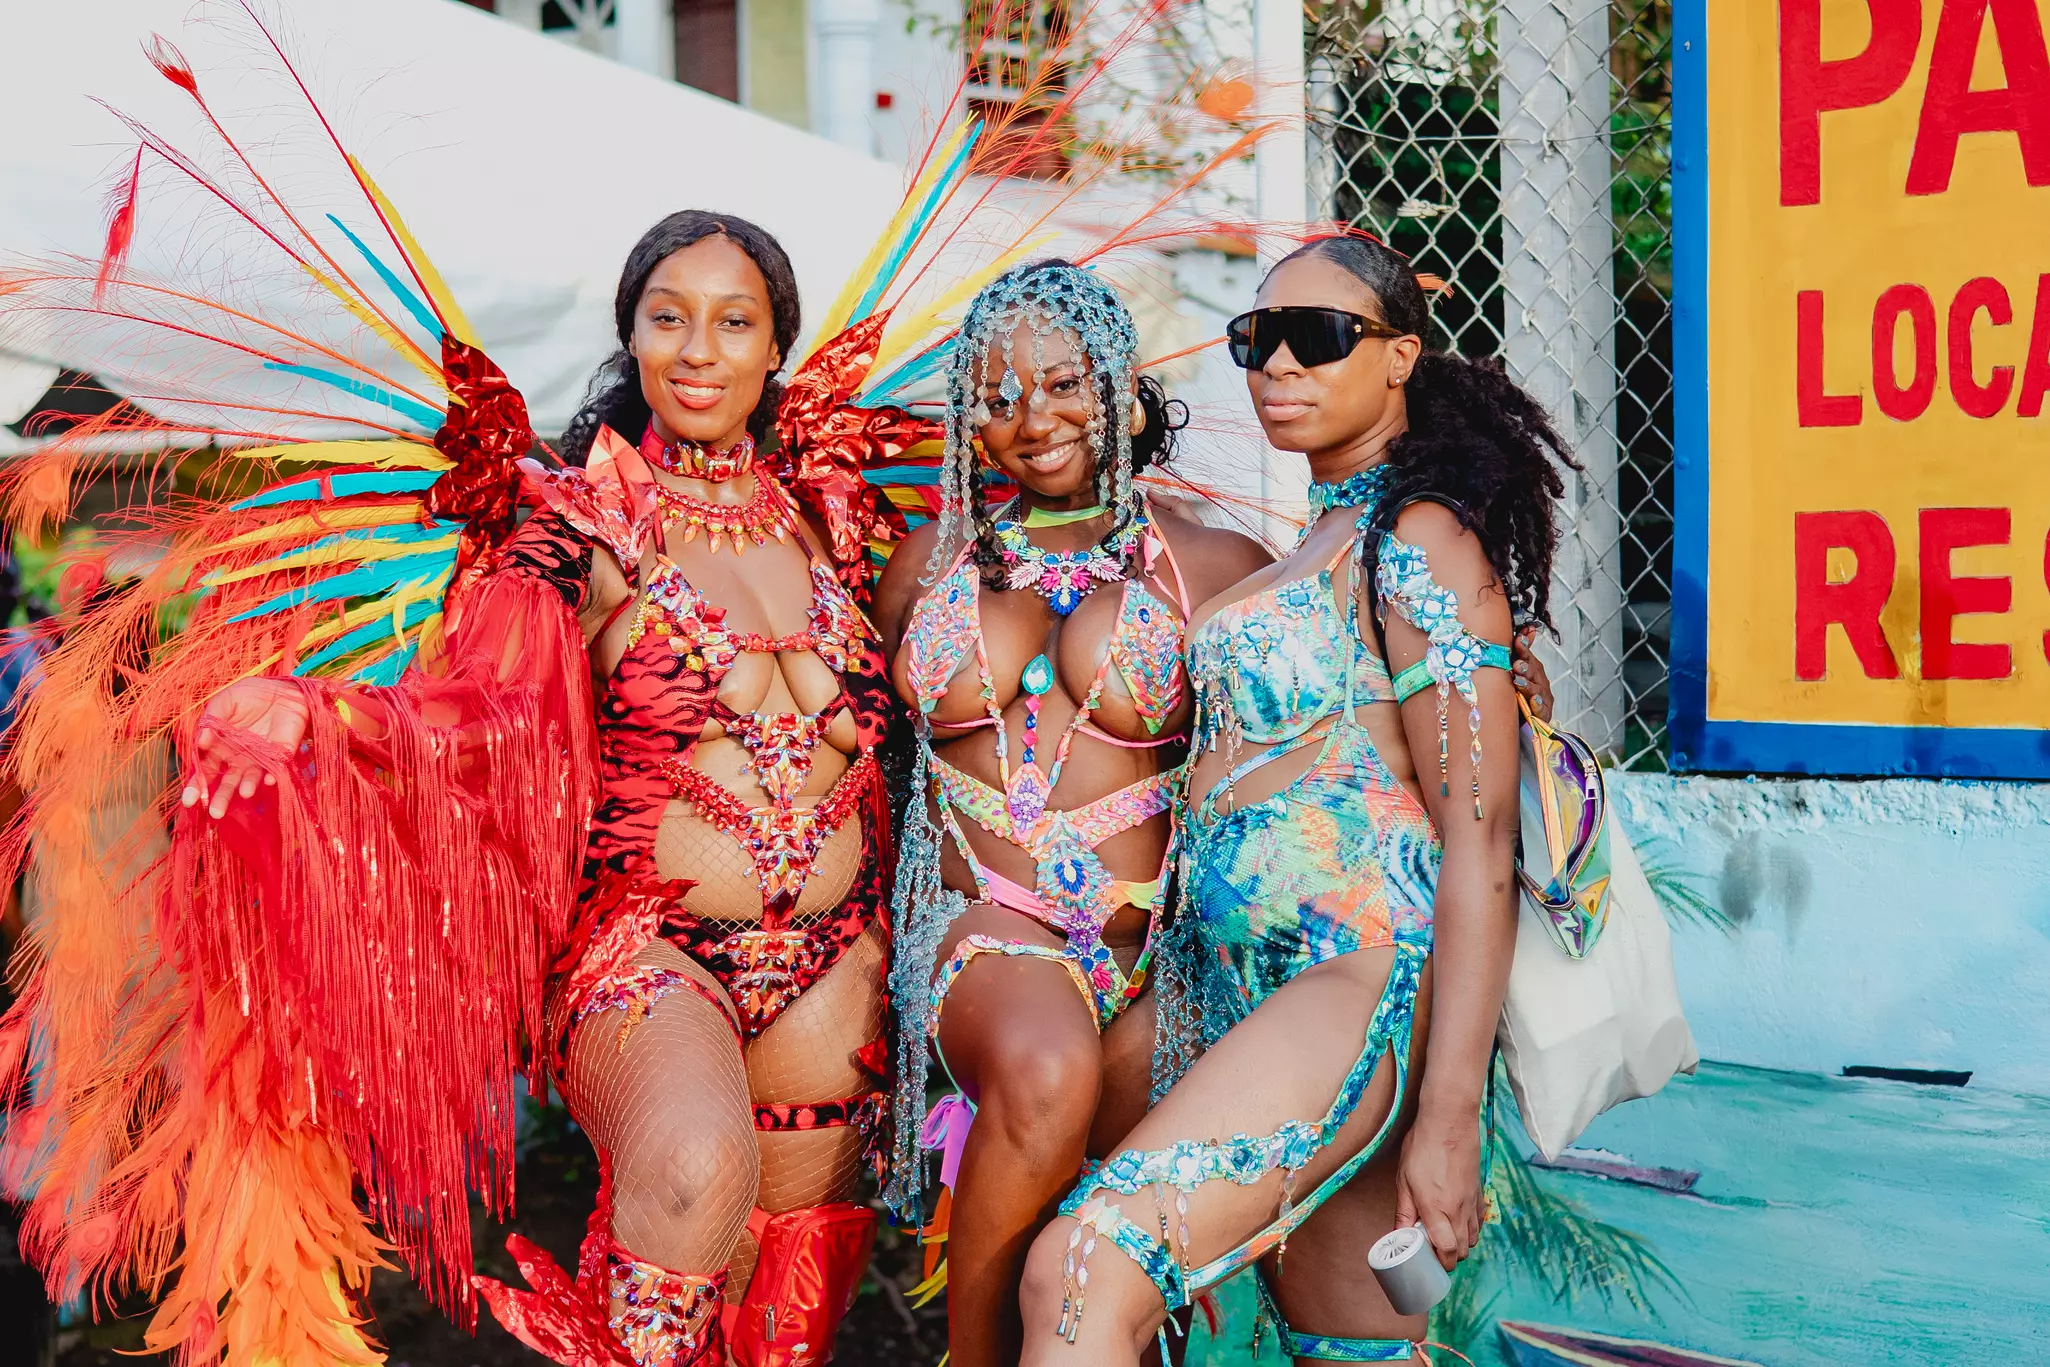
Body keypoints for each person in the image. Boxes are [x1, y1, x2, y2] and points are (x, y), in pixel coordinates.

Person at [186, 211, 905, 1367]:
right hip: (649, 950)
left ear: (778, 349)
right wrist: (320, 711)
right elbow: (473, 705)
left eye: (735, 322)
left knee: (786, 1324)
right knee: (686, 1168)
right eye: (668, 319)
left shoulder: (840, 520)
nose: (700, 350)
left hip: (837, 965)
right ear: (631, 337)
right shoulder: (577, 522)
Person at [1015, 232, 1574, 1365]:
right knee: (1350, 1351)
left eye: (1316, 338)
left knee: (1082, 1267)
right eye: (1254, 339)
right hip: (1239, 1000)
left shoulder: (1417, 541)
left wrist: (1449, 1111)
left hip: (1357, 986)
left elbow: (1484, 843)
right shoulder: (1305, 544)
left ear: (1400, 355)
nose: (1277, 364)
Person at [873, 261, 1270, 1367]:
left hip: (1157, 956)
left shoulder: (1216, 564)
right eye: (995, 399)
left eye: (1060, 383)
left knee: (1111, 1267)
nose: (1032, 419)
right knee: (1048, 1067)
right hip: (981, 929)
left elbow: (1310, 718)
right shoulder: (926, 567)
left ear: (1121, 385)